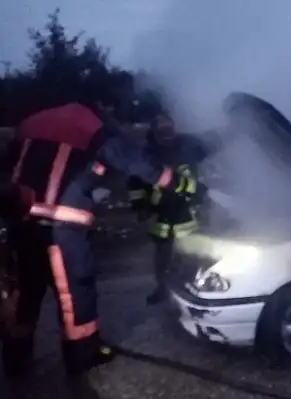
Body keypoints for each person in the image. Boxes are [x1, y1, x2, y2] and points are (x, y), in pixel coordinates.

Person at [0, 73, 205, 377]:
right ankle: (82, 353)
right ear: (103, 103)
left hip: (21, 221)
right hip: (61, 226)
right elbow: (133, 161)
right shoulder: (89, 124)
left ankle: (16, 355)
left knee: (27, 290)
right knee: (74, 290)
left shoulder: (32, 122)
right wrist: (178, 184)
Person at [127, 114, 208, 305]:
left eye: (169, 129)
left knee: (190, 255)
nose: (167, 134)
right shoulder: (147, 154)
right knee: (162, 256)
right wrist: (140, 206)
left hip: (185, 212)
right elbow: (135, 184)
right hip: (160, 213)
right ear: (154, 132)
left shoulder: (187, 147)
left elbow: (206, 154)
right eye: (162, 130)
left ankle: (189, 291)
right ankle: (163, 290)